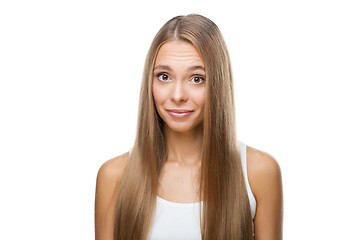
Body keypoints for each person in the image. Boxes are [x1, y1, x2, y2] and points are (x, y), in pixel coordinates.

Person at [95, 14, 283, 240]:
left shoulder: (258, 173)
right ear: (150, 82)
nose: (177, 96)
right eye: (164, 76)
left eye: (196, 79)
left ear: (218, 83)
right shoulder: (114, 176)